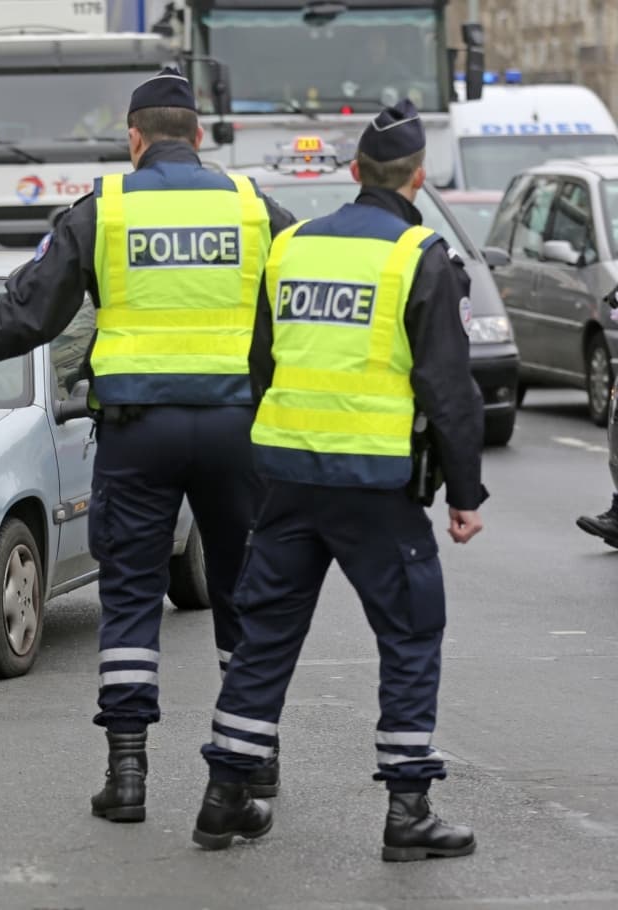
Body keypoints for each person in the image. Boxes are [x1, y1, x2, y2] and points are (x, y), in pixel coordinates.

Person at [0, 67, 295, 821]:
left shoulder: (106, 210)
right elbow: (304, 303)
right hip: (235, 429)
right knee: (243, 593)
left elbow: (24, 316)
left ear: (133, 139)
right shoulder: (254, 208)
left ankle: (127, 777)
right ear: (199, 136)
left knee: (130, 596)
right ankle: (250, 766)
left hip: (137, 435)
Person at [190, 99, 487, 861]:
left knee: (263, 640)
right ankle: (409, 809)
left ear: (353, 173)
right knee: (412, 633)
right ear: (417, 178)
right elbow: (449, 388)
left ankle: (226, 795)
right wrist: (464, 495)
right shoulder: (417, 256)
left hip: (287, 480)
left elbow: (260, 365)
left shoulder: (290, 249)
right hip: (374, 489)